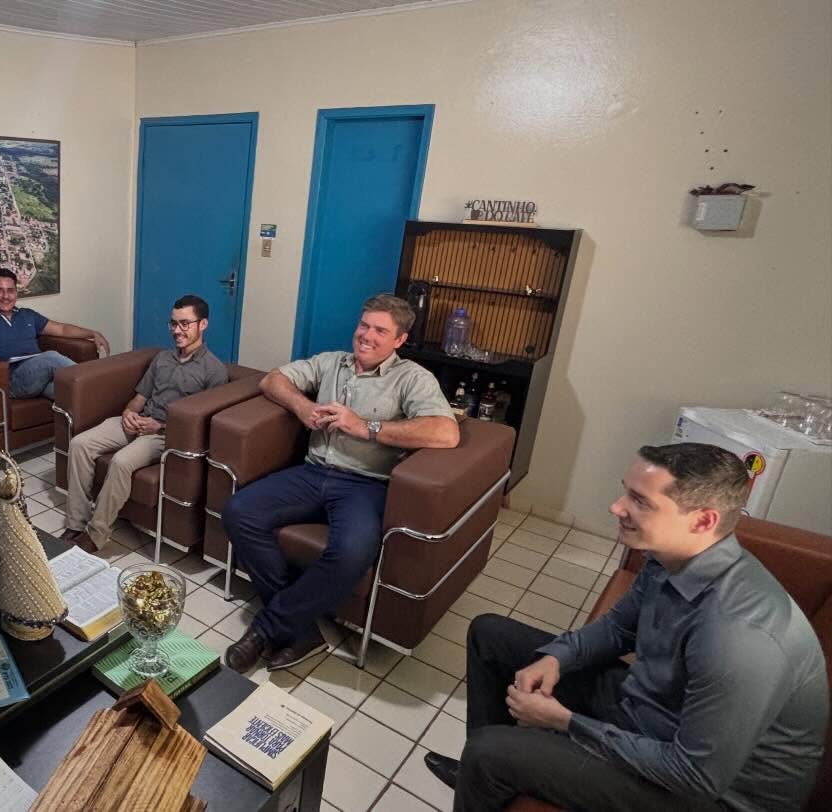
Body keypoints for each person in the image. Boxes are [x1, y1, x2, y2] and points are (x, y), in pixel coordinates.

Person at [426, 443, 828, 811]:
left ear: (703, 521)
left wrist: (564, 721)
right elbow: (619, 628)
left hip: (706, 793)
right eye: (626, 492)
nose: (616, 507)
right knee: (490, 635)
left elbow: (695, 776)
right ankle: (487, 784)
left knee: (490, 751)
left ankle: (488, 769)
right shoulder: (668, 558)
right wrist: (557, 657)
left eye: (639, 500)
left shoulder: (740, 637)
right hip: (655, 714)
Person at [221, 293, 458, 673]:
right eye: (364, 325)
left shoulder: (412, 378)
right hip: (312, 472)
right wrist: (302, 406)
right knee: (239, 511)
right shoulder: (332, 362)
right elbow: (272, 380)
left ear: (399, 340)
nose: (367, 335)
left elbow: (446, 432)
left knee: (352, 552)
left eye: (380, 331)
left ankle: (267, 628)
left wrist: (365, 427)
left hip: (366, 484)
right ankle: (301, 630)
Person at [63, 295, 228, 552]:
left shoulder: (214, 370)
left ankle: (95, 535)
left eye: (185, 324)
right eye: (173, 323)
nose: (177, 330)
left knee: (121, 462)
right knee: (79, 443)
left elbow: (202, 426)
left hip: (165, 434)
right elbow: (140, 397)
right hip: (139, 421)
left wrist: (159, 427)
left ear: (203, 324)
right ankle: (75, 523)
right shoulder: (162, 358)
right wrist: (128, 412)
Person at [0, 267, 109, 399]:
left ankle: (107, 405)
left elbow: (61, 329)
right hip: (14, 380)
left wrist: (92, 333)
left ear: (16, 293)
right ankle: (100, 382)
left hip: (39, 377)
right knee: (51, 357)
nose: (6, 296)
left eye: (10, 290)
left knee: (77, 396)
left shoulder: (27, 315)